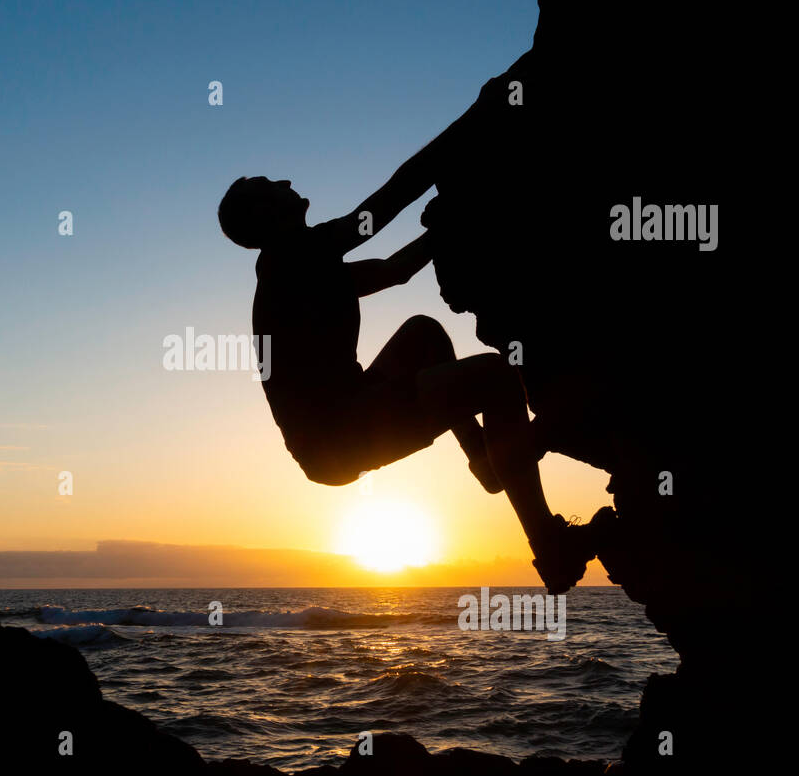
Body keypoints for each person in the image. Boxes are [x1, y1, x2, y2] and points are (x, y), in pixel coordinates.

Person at [218, 161, 595, 593]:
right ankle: (549, 545)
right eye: (273, 186)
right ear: (266, 216)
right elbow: (383, 206)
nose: (286, 182)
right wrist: (447, 151)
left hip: (344, 417)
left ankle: (486, 461)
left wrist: (446, 227)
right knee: (498, 378)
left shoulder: (302, 270)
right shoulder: (292, 257)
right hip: (338, 434)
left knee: (424, 333)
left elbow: (397, 269)